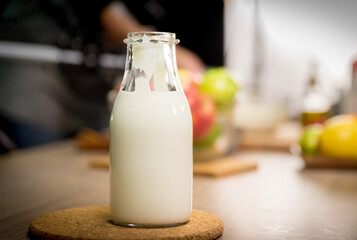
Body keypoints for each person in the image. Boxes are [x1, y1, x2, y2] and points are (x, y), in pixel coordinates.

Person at [0, 0, 224, 152]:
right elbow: (107, 12)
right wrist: (151, 42)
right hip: (37, 78)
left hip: (104, 94)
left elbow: (205, 58)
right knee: (39, 176)